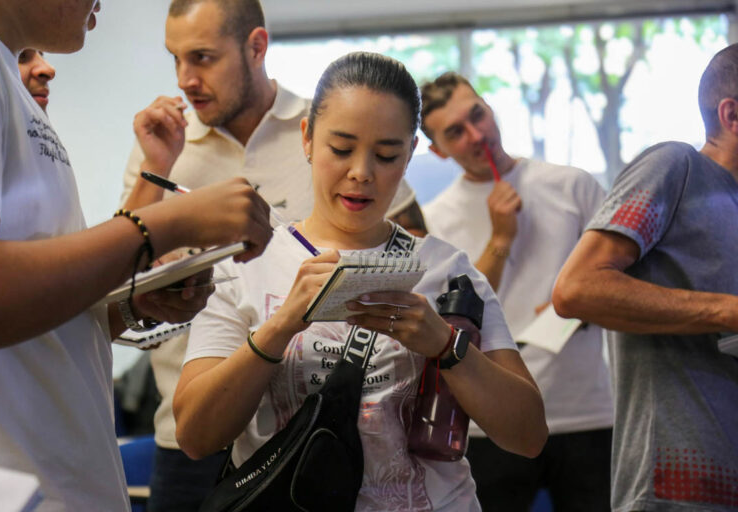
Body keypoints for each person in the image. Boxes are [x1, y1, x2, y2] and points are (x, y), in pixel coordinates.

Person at [172, 51, 547, 511]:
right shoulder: (247, 263)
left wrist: (446, 346)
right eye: (341, 149)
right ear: (308, 138)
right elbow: (195, 436)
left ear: (409, 154)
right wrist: (280, 327)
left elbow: (528, 435)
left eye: (387, 155)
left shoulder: (448, 270)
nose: (361, 173)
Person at [119, 1, 426, 509]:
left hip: (322, 424)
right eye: (175, 58)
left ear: (256, 47)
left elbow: (409, 250)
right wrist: (159, 170)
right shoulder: (165, 147)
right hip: (191, 423)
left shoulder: (338, 125)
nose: (185, 79)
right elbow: (120, 278)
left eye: (202, 57)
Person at [0, 1, 274, 510]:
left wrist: (133, 304)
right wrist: (167, 224)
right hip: (16, 489)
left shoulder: (7, 82)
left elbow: (47, 324)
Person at [552, 44, 738, 512]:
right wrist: (729, 311)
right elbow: (578, 289)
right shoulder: (677, 166)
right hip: (673, 490)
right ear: (732, 116)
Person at [419, 72, 613, 511]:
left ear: (490, 107)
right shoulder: (436, 220)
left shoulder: (573, 185)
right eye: (456, 132)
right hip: (490, 421)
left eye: (478, 115)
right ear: (438, 150)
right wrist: (500, 239)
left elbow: (622, 277)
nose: (477, 134)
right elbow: (454, 322)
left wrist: (576, 302)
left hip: (586, 409)